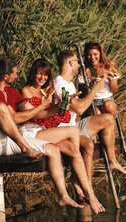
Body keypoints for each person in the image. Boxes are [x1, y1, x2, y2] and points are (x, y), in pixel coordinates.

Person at [0, 57, 82, 209]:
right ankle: (26, 148)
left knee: (53, 149)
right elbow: (14, 118)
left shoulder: (11, 92)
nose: (17, 75)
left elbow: (32, 114)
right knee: (2, 107)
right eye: (14, 73)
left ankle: (63, 196)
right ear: (5, 76)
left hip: (10, 141)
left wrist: (59, 106)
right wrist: (41, 106)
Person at [19, 58, 105, 214]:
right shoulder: (26, 90)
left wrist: (64, 105)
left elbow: (59, 118)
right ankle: (84, 188)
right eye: (39, 74)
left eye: (45, 75)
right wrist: (54, 107)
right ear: (33, 73)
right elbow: (36, 115)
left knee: (73, 149)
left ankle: (87, 190)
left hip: (46, 132)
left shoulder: (48, 91)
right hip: (31, 132)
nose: (42, 78)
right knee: (73, 131)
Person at [53, 50, 126, 192]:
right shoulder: (60, 85)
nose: (80, 65)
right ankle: (84, 187)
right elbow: (79, 110)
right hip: (62, 131)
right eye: (77, 62)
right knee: (88, 144)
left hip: (73, 127)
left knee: (107, 120)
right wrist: (94, 90)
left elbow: (77, 108)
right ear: (71, 63)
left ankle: (109, 165)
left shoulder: (69, 84)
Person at [81, 41, 119, 118]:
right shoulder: (85, 69)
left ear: (100, 54)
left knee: (109, 106)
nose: (92, 58)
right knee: (96, 113)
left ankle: (109, 127)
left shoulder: (109, 65)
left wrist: (111, 79)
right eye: (89, 55)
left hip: (107, 100)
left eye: (95, 54)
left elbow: (114, 90)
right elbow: (82, 94)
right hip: (91, 101)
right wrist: (92, 84)